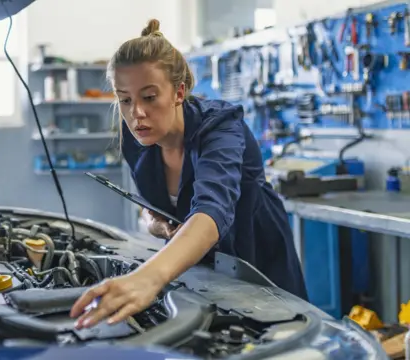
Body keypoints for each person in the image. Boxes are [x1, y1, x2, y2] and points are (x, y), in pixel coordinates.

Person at [69, 19, 307, 330]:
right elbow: (150, 201)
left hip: (256, 263)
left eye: (149, 97)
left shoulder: (220, 127)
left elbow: (212, 210)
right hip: (193, 268)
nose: (136, 113)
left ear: (179, 92)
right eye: (125, 99)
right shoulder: (138, 138)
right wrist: (152, 221)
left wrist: (147, 278)